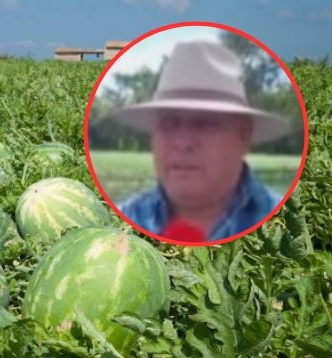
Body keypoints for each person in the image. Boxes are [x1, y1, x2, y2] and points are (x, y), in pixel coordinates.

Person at [105, 40, 290, 242]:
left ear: (244, 134)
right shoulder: (124, 218)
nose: (183, 142)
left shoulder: (287, 224)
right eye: (169, 123)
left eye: (205, 124)